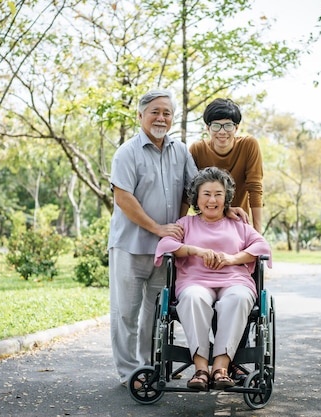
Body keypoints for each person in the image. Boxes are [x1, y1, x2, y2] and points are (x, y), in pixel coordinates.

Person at [108, 89, 198, 386]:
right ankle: (129, 373)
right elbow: (123, 198)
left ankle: (149, 368)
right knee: (126, 315)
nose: (161, 117)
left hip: (165, 252)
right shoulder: (127, 152)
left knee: (155, 316)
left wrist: (180, 223)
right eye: (155, 111)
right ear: (140, 116)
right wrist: (158, 228)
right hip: (130, 248)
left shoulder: (181, 151)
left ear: (173, 118)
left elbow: (193, 190)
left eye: (167, 112)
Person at [153, 167, 272, 391]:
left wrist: (231, 258)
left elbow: (262, 246)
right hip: (196, 281)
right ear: (197, 197)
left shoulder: (239, 225)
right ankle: (200, 369)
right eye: (206, 194)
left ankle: (220, 368)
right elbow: (165, 245)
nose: (212, 200)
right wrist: (195, 251)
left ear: (226, 198)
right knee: (192, 298)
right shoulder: (186, 224)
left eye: (218, 194)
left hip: (234, 281)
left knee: (238, 298)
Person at [189, 98, 264, 233]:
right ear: (207, 128)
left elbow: (255, 188)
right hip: (207, 223)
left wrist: (258, 233)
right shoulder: (197, 149)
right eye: (216, 126)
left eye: (228, 125)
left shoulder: (248, 145)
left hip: (239, 222)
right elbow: (190, 191)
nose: (222, 132)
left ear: (236, 127)